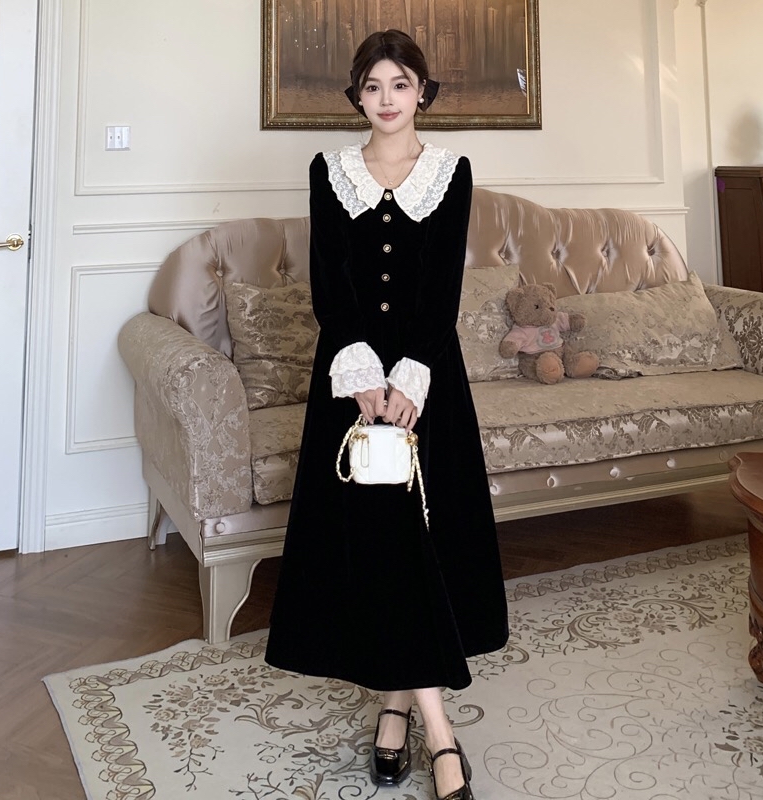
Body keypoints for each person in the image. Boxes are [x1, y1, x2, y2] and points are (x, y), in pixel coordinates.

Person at [264, 29, 509, 800]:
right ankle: (439, 732)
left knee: (411, 541)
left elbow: (441, 293)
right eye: (373, 86)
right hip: (353, 383)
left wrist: (409, 378)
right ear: (357, 97)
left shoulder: (450, 172)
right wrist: (362, 379)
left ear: (423, 92)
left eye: (400, 84)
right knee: (383, 542)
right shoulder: (329, 171)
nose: (387, 99)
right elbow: (329, 285)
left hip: (426, 383)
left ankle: (398, 712)